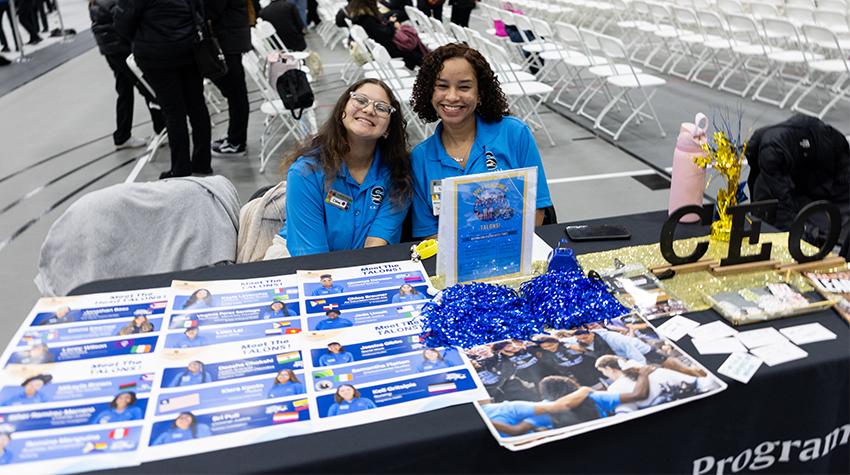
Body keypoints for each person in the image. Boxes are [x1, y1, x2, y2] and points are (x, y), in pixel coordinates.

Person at [409, 43, 553, 239]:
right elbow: (428, 232)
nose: (452, 96)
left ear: (480, 93)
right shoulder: (420, 158)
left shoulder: (514, 133)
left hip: (513, 256)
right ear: (429, 91)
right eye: (442, 86)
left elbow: (537, 209)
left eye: (464, 87)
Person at [280, 79, 412, 256]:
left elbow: (375, 248)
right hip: (304, 264)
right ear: (343, 109)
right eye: (360, 100)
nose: (369, 109)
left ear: (388, 127)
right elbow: (312, 260)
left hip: (365, 265)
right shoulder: (305, 173)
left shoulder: (399, 173)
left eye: (381, 108)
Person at [114, 0, 212, 179]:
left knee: (174, 113)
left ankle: (181, 168)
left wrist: (141, 37)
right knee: (197, 106)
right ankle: (202, 162)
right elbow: (200, 9)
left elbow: (122, 21)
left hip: (156, 55)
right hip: (189, 48)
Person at [89, 0, 165, 150]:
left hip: (109, 46)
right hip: (120, 46)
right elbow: (125, 18)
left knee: (124, 88)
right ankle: (161, 129)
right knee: (147, 87)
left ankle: (122, 135)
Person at [205, 0, 252, 156]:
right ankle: (234, 137)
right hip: (232, 37)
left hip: (229, 39)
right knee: (235, 93)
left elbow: (212, 9)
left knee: (235, 92)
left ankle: (236, 142)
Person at [573, 328, 706, 378]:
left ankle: (702, 374)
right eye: (580, 339)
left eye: (585, 337)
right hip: (626, 359)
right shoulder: (580, 343)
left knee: (680, 369)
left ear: (591, 332)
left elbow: (634, 353)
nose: (583, 340)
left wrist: (641, 370)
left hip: (644, 352)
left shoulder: (613, 337)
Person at [595, 356, 708, 412]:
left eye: (603, 372)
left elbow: (626, 413)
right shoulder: (654, 371)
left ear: (609, 368)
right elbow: (701, 384)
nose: (606, 375)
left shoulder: (614, 388)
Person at [349, 0, 423, 70]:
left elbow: (380, 32)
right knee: (414, 49)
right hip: (387, 49)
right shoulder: (367, 19)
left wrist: (389, 24)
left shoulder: (360, 17)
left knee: (414, 47)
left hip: (381, 47)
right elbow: (385, 35)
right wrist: (391, 24)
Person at [530, 336, 599, 387]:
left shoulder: (568, 344)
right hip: (572, 373)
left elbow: (588, 351)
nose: (549, 348)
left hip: (588, 367)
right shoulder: (544, 354)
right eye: (545, 347)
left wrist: (571, 347)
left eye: (551, 345)